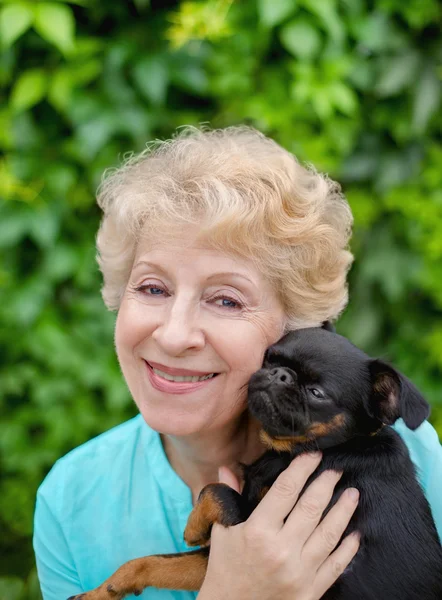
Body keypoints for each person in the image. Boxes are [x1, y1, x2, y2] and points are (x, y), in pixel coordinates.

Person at [33, 126, 442, 600]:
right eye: (152, 288)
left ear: (295, 330)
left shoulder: (414, 459)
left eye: (226, 300)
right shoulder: (71, 501)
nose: (174, 333)